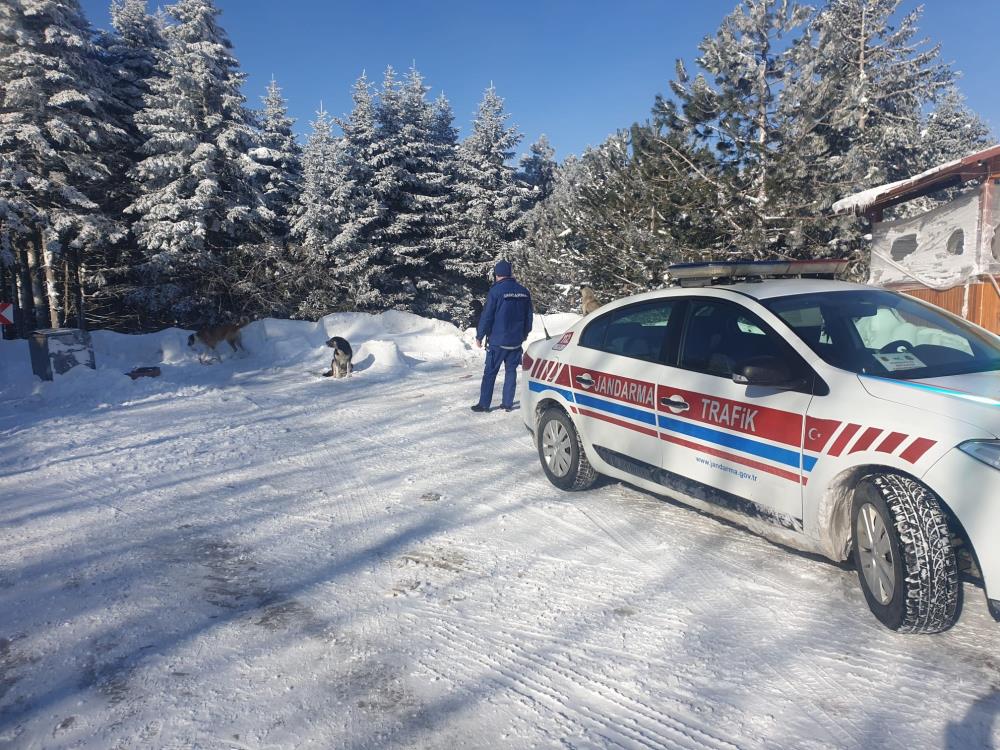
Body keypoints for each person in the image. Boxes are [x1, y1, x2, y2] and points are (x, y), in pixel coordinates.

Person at [471, 260, 533, 413]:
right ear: (510, 273)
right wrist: (524, 334)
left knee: (490, 372)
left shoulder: (496, 291)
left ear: (497, 274)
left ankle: (484, 404)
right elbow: (529, 317)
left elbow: (487, 316)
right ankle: (507, 403)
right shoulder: (524, 291)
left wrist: (480, 335)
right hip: (516, 341)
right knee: (511, 371)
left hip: (498, 341)